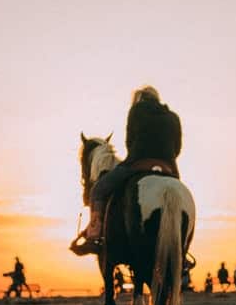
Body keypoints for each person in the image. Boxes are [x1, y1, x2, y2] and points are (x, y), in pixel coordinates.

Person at [70, 86, 182, 256]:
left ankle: (94, 237)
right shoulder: (173, 117)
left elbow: (129, 141)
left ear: (139, 98)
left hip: (138, 163)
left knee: (98, 191)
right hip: (169, 168)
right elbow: (177, 148)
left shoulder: (136, 110)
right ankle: (181, 249)